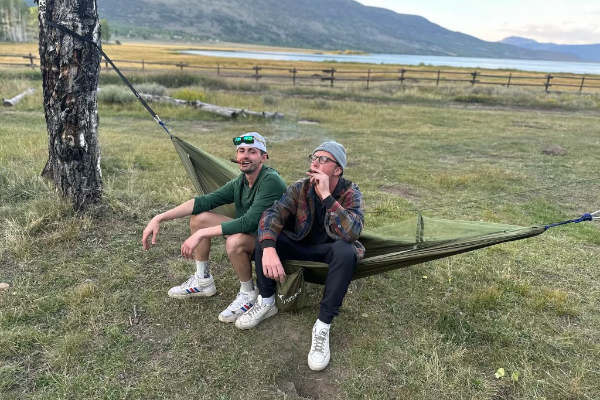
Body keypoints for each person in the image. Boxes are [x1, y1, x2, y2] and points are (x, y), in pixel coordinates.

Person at [234, 140, 365, 371]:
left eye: (323, 159)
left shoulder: (350, 192)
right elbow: (272, 214)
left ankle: (322, 325)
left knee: (346, 251)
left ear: (338, 170)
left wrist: (327, 197)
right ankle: (266, 301)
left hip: (330, 252)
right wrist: (270, 249)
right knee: (267, 236)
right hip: (300, 244)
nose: (315, 162)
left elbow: (353, 231)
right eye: (314, 157)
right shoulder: (301, 187)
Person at [142, 132, 287, 323]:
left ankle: (248, 294)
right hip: (255, 236)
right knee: (200, 218)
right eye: (241, 151)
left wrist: (202, 234)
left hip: (275, 245)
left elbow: (249, 222)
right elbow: (204, 201)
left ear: (263, 157)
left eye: (252, 152)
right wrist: (159, 217)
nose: (245, 156)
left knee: (234, 241)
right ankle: (203, 281)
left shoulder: (270, 181)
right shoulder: (241, 182)